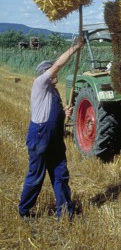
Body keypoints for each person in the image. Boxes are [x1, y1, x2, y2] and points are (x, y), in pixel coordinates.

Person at [18, 37, 84, 220]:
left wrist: (64, 113)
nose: (56, 74)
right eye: (51, 71)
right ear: (44, 74)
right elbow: (58, 65)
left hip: (54, 138)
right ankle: (24, 211)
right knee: (36, 177)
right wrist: (75, 47)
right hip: (40, 137)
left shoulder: (53, 92)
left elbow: (51, 115)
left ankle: (65, 214)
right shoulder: (40, 83)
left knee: (60, 175)